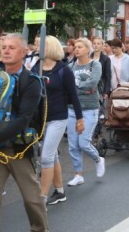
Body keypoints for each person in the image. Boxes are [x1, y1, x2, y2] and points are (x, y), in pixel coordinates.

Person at [0, 33, 48, 232]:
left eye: (12, 47)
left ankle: (40, 229)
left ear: (24, 52)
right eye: (4, 47)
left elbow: (24, 119)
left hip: (18, 148)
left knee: (32, 199)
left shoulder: (31, 82)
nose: (7, 50)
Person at [34, 36, 83, 205]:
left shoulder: (64, 70)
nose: (35, 46)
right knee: (52, 155)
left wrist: (79, 119)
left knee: (46, 157)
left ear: (48, 48)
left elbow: (74, 96)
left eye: (38, 44)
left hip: (58, 118)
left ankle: (42, 198)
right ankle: (60, 192)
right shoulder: (36, 67)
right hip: (41, 120)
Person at [66, 38, 105, 187]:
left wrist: (77, 85)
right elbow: (69, 88)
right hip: (72, 109)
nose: (76, 49)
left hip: (90, 108)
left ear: (88, 49)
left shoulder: (95, 64)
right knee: (73, 145)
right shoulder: (70, 66)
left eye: (80, 47)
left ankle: (98, 159)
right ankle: (78, 175)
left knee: (83, 143)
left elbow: (92, 83)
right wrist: (82, 87)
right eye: (75, 47)